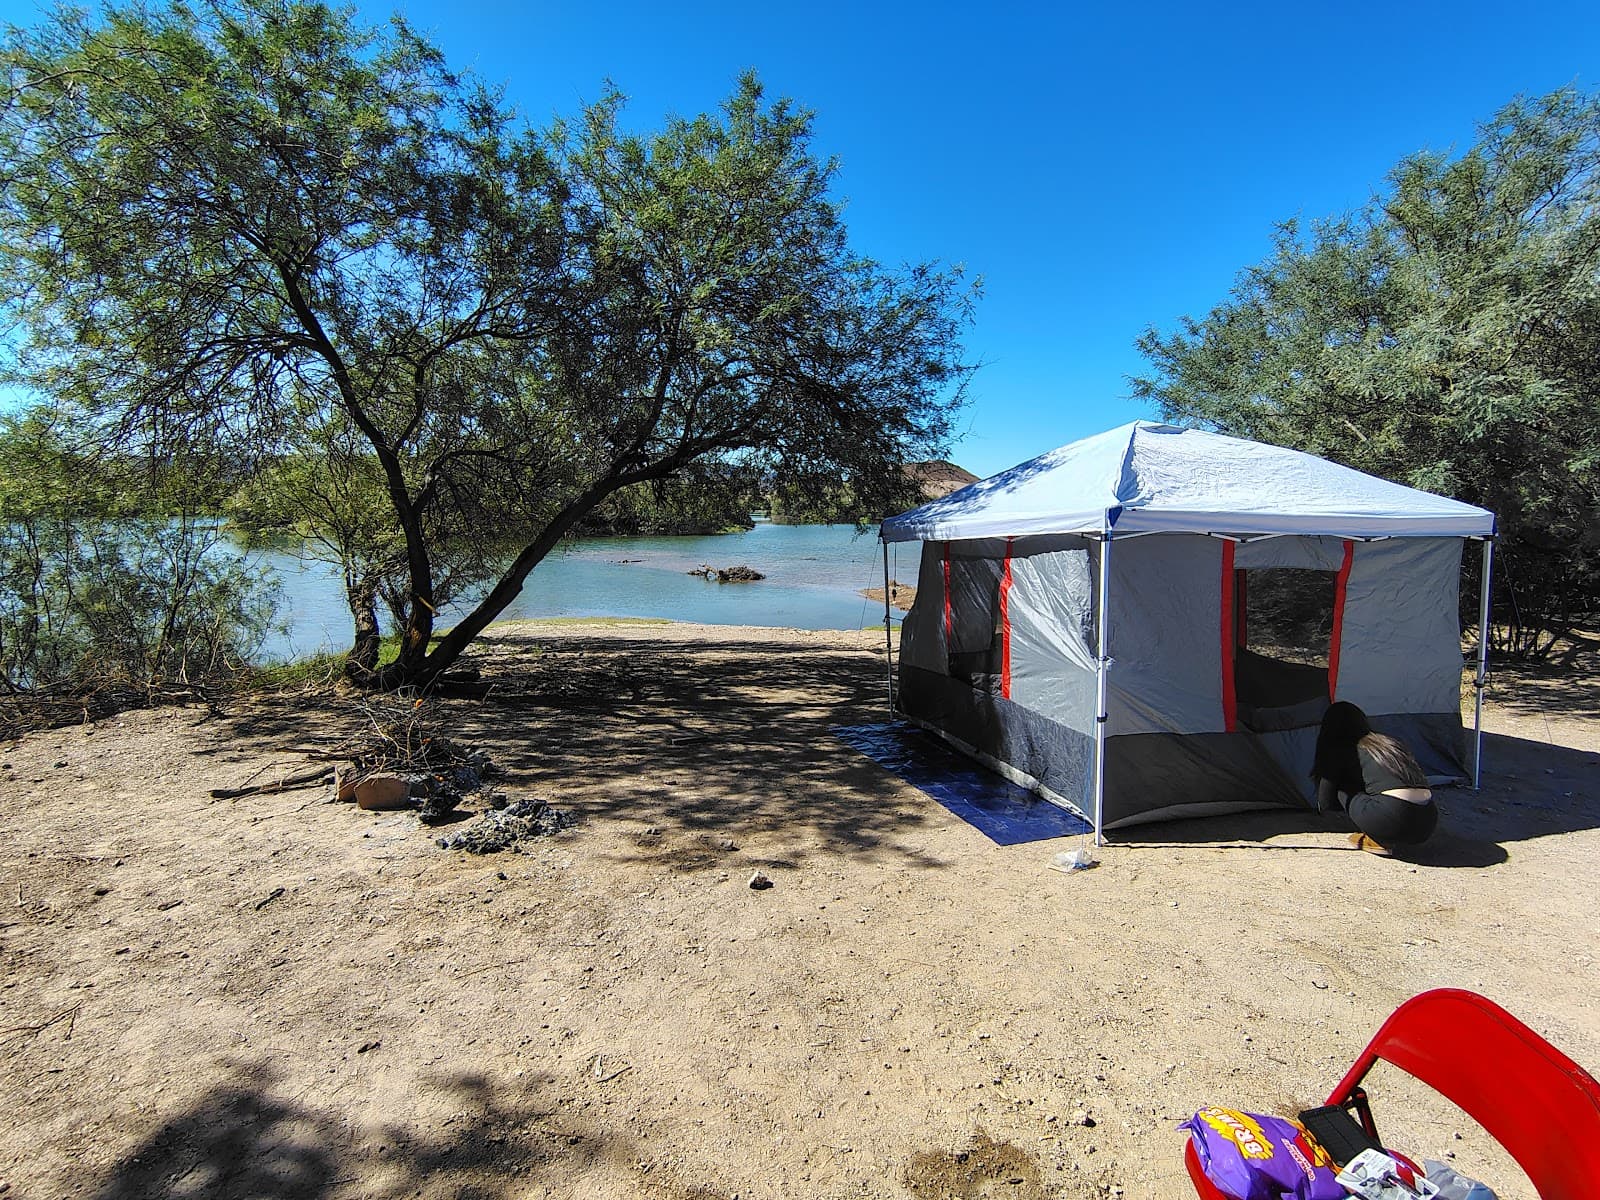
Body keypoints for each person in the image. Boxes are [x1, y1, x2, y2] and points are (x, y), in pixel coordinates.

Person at [1311, 701, 1438, 855]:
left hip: (1389, 817)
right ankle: (1387, 830)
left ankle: (1377, 839)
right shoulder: (1386, 743)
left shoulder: (1343, 749)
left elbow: (1326, 801)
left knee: (1343, 787)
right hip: (1427, 822)